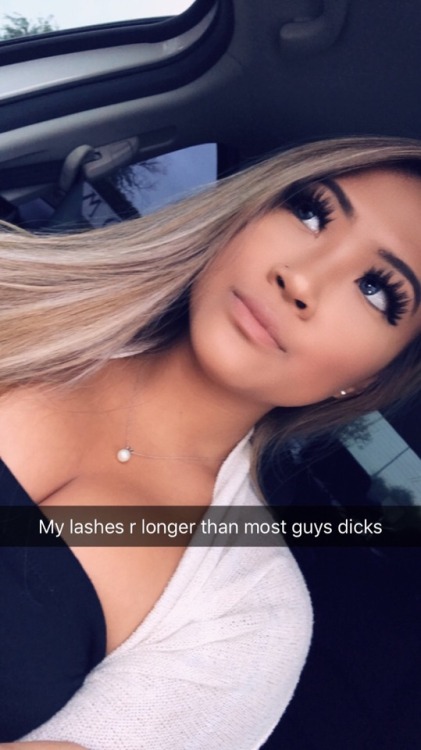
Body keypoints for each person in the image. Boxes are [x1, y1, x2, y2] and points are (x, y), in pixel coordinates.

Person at [1, 134, 421, 750]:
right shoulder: (16, 292)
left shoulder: (250, 611)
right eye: (309, 212)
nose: (300, 279)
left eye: (376, 289)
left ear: (368, 380)